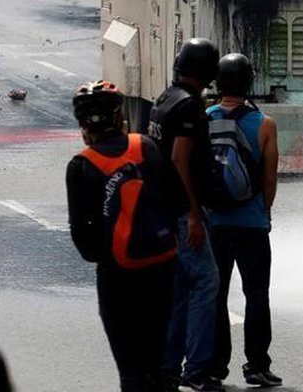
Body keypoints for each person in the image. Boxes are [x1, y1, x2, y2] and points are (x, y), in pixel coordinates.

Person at [66, 80, 178, 392]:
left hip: (117, 276)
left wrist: (106, 251)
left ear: (83, 125)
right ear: (119, 117)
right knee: (157, 364)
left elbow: (83, 240)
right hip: (161, 268)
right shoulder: (145, 146)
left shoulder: (81, 166)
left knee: (131, 371)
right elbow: (177, 200)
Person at [149, 38, 224, 392]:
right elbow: (180, 159)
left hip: (163, 210)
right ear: (207, 71)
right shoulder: (190, 107)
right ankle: (195, 371)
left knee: (178, 290)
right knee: (206, 282)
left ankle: (168, 369)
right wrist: (194, 213)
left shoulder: (165, 99)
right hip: (182, 212)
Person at [207, 53, 282, 388]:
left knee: (216, 295)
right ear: (249, 83)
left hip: (215, 223)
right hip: (251, 224)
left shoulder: (204, 118)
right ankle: (256, 365)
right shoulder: (265, 125)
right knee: (256, 293)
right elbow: (269, 180)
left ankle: (215, 366)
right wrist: (264, 212)